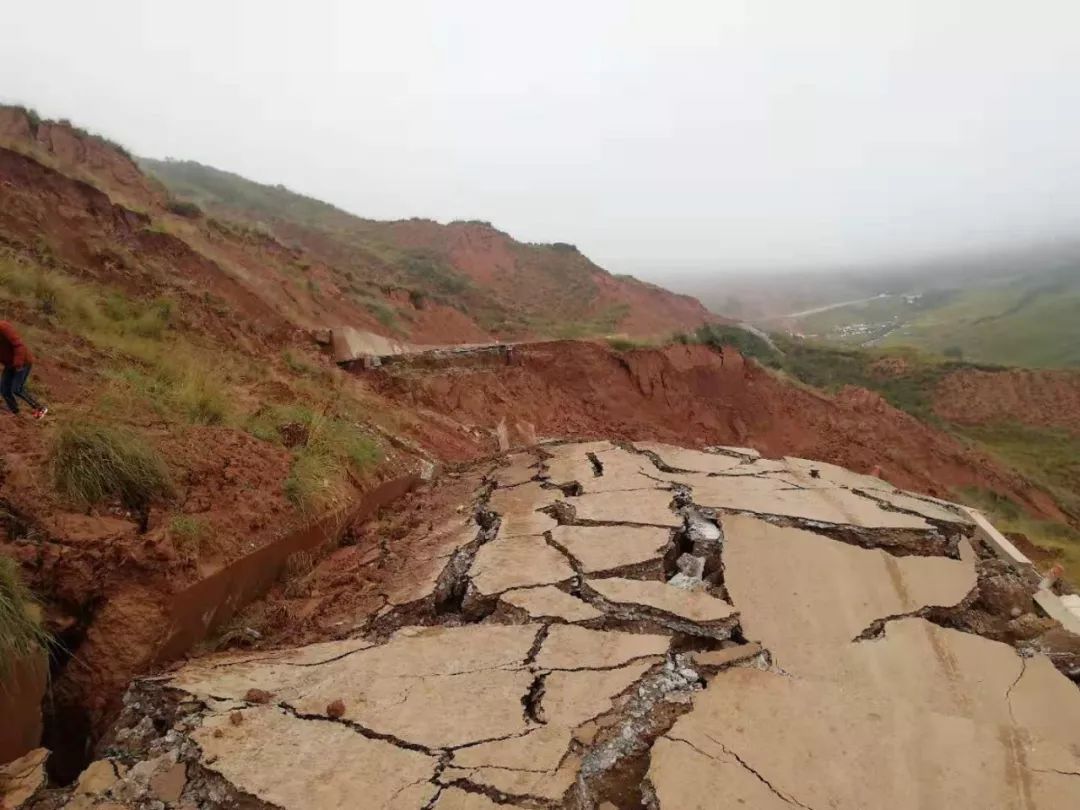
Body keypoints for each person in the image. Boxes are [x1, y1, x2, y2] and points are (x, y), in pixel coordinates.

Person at [0, 321, 47, 419]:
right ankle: (16, 414)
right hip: (9, 364)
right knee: (4, 389)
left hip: (23, 362)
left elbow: (18, 345)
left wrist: (18, 363)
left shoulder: (3, 327)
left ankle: (40, 408)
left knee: (17, 389)